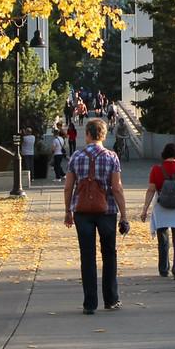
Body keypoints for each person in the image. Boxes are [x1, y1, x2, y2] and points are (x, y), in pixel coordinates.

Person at [64, 118, 129, 314]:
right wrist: (124, 215)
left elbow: (68, 187)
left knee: (87, 256)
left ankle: (89, 303)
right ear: (103, 134)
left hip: (82, 211)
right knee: (109, 254)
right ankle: (111, 299)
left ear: (88, 134)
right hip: (107, 211)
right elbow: (116, 188)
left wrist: (68, 211)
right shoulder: (111, 157)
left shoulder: (76, 156)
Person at [141, 143, 175, 279]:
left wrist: (145, 209)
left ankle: (163, 268)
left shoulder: (156, 170)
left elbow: (151, 190)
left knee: (163, 240)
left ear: (163, 155)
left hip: (161, 207)